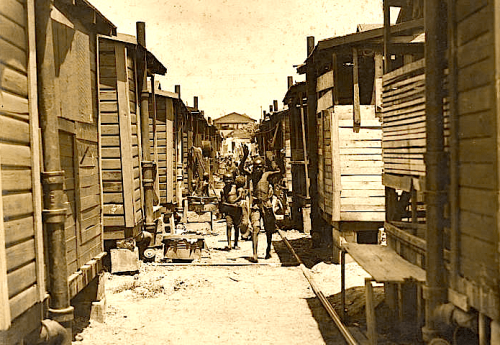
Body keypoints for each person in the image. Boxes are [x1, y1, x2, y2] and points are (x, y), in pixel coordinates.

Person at [239, 144, 280, 262]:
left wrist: (273, 160)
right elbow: (241, 169)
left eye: (259, 167)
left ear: (263, 168)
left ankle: (268, 249)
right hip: (256, 205)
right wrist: (245, 156)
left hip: (266, 205)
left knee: (269, 229)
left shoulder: (267, 175)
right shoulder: (251, 176)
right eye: (256, 167)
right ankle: (255, 254)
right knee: (255, 229)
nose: (257, 170)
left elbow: (279, 171)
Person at [219, 173, 244, 250]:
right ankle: (229, 244)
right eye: (226, 179)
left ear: (233, 180)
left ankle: (236, 243)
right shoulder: (223, 190)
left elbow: (241, 197)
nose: (228, 181)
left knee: (237, 227)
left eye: (230, 179)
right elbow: (223, 202)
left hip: (237, 211)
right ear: (223, 180)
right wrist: (231, 205)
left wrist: (237, 203)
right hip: (229, 211)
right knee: (229, 226)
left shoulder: (236, 188)